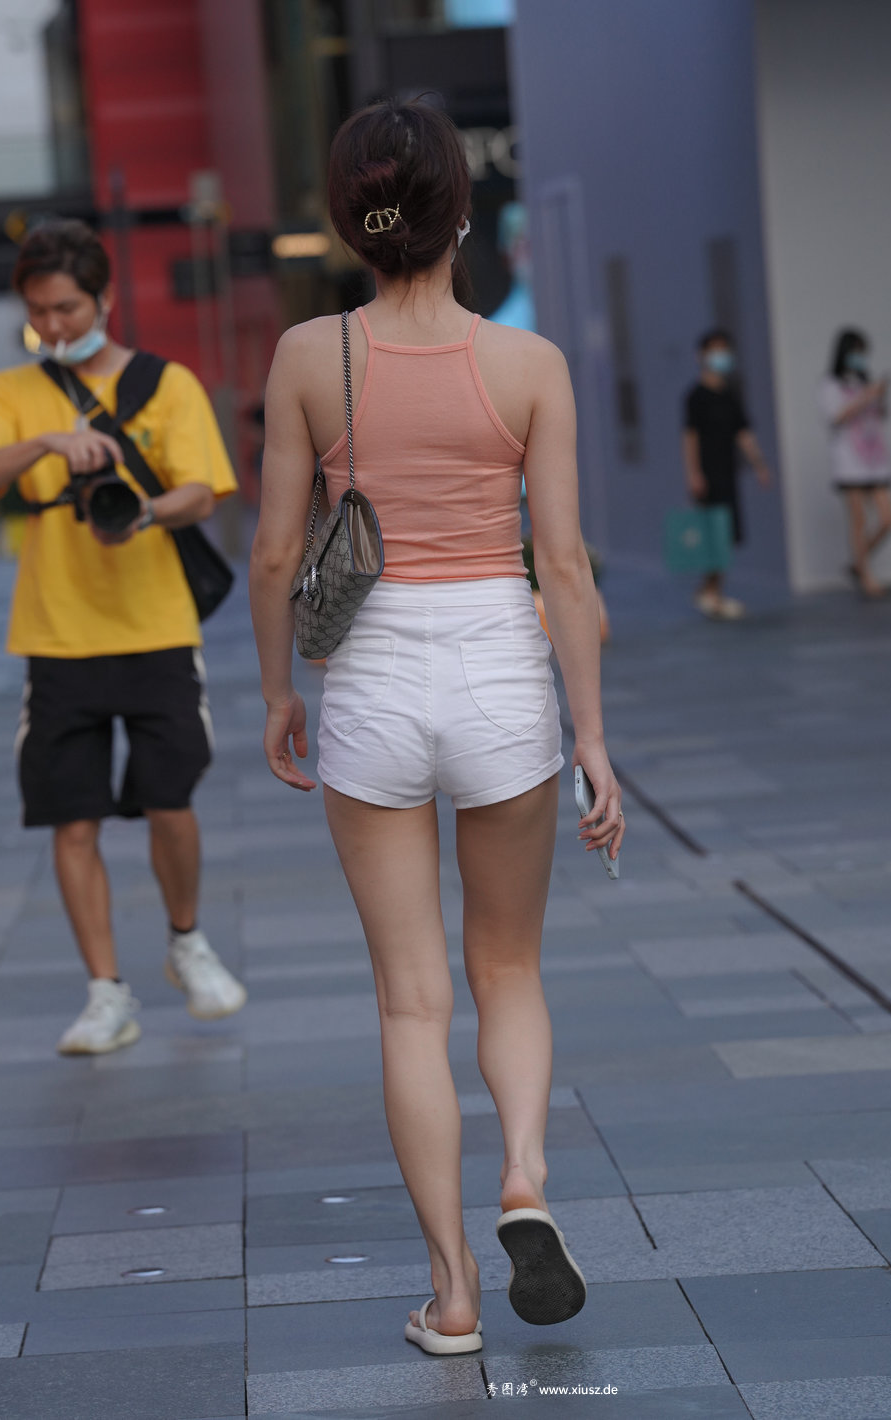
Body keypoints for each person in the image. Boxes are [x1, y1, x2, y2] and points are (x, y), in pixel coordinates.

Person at [250, 100, 624, 1354]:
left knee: (410, 1004)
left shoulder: (309, 357)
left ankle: (453, 1295)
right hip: (501, 674)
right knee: (506, 967)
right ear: (463, 213)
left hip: (370, 679)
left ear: (349, 224)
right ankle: (524, 1174)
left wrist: (278, 693)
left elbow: (274, 555)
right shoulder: (529, 365)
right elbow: (561, 564)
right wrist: (589, 739)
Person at [0, 219, 247, 1055]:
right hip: (57, 636)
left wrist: (142, 512)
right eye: (38, 311)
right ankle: (105, 992)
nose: (53, 325)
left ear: (105, 298)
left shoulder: (168, 385)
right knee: (72, 818)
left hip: (156, 627)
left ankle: (186, 940)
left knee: (171, 799)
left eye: (66, 307)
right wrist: (48, 443)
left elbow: (205, 492)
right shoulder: (12, 391)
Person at [682, 328, 771, 619]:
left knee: (726, 535)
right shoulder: (696, 396)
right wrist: (694, 473)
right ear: (702, 355)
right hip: (708, 475)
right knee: (714, 537)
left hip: (728, 472)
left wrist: (759, 464)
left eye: (725, 349)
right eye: (715, 350)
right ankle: (711, 593)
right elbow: (690, 437)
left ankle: (710, 591)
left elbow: (743, 433)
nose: (721, 356)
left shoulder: (731, 395)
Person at [821, 328, 891, 598]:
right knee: (859, 520)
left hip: (875, 459)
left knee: (888, 519)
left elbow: (880, 416)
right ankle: (866, 575)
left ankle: (857, 563)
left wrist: (879, 396)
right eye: (855, 352)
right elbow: (835, 417)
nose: (860, 357)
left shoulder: (865, 382)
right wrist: (865, 398)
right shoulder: (831, 385)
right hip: (850, 462)